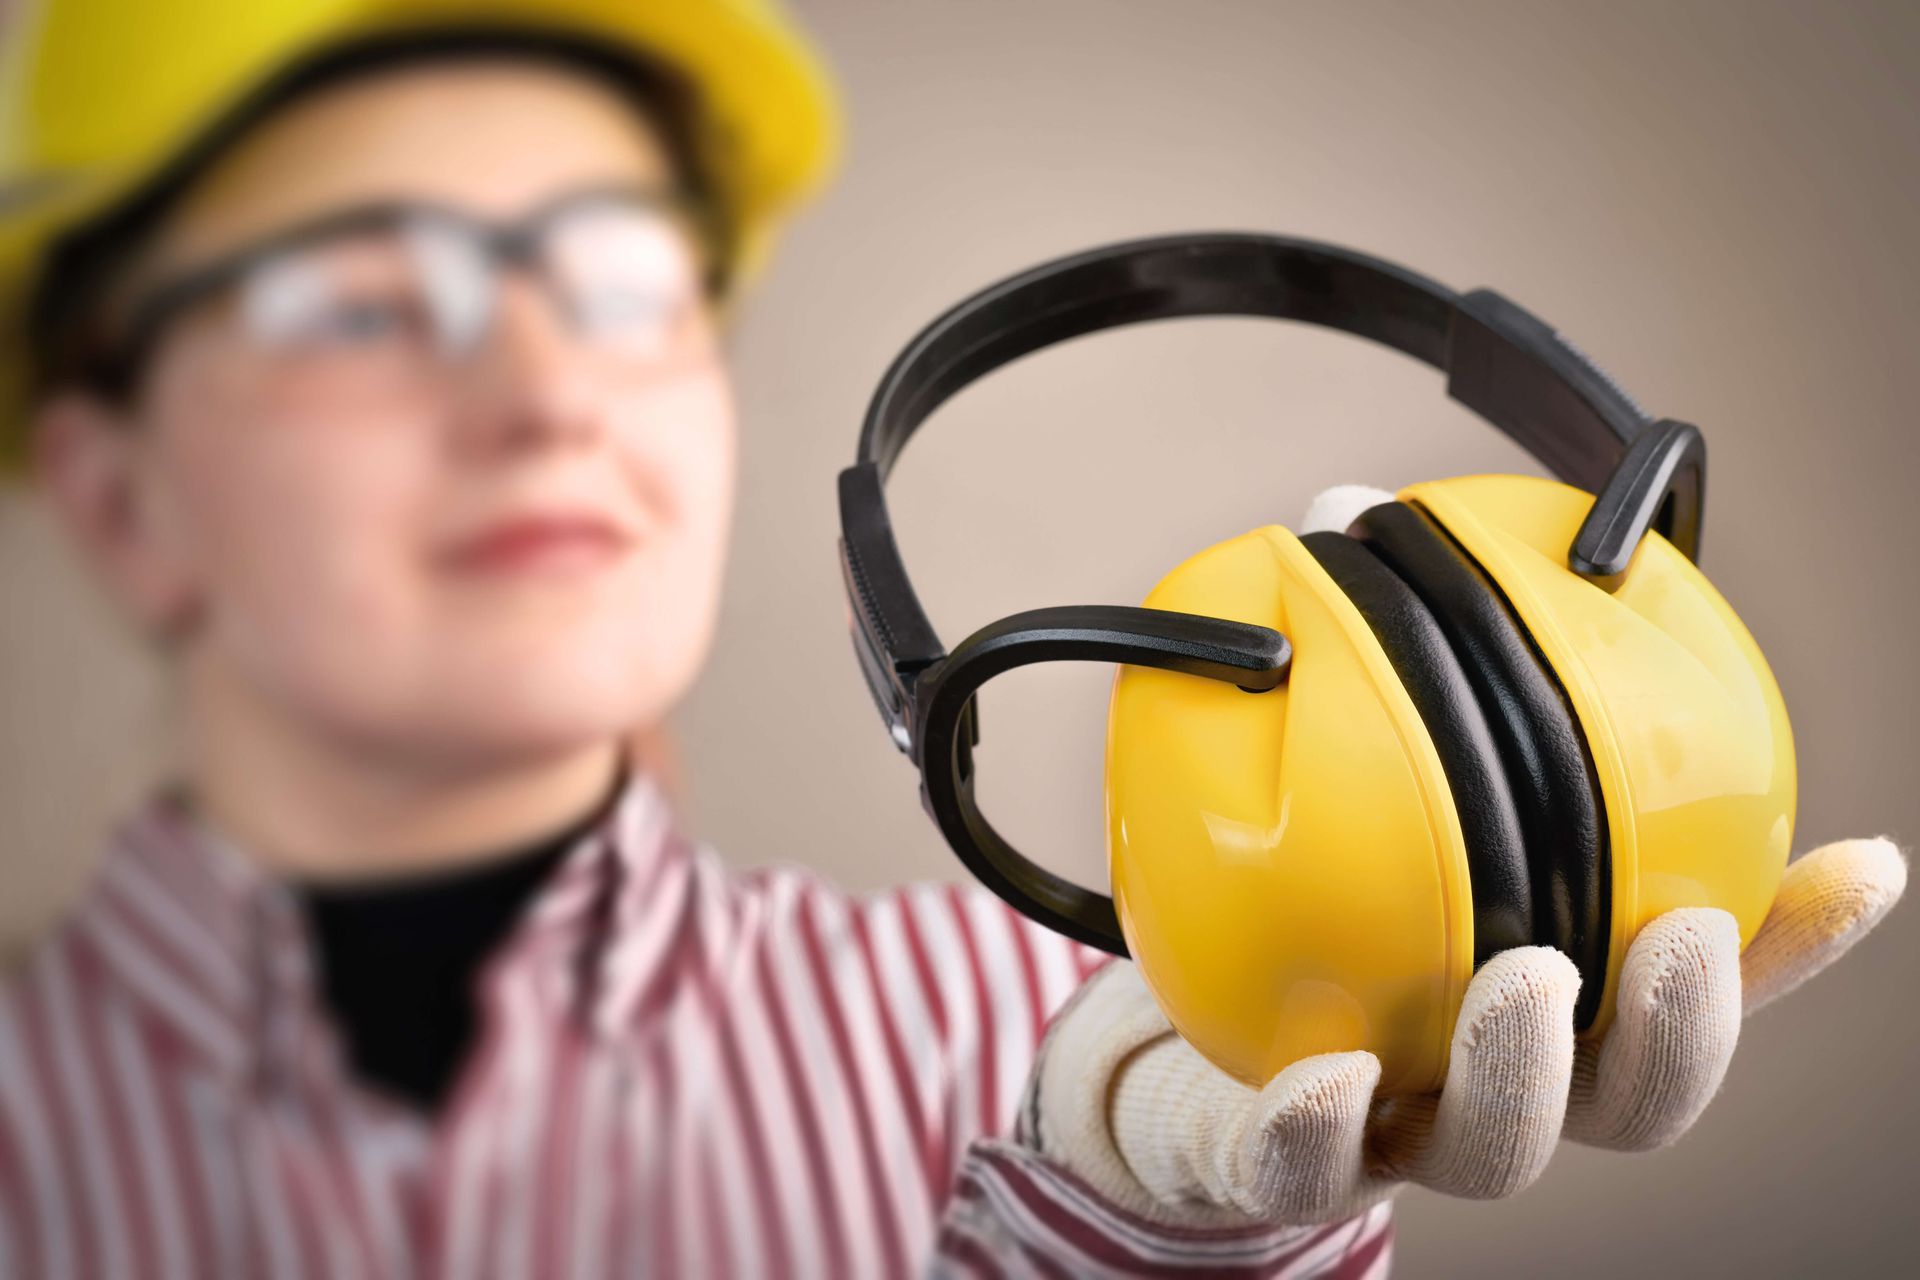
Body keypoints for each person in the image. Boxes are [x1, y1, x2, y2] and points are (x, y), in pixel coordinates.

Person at [0, 2, 1904, 1277]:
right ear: (115, 491)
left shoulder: (1092, 1039)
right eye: (358, 295)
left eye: (621, 278)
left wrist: (1157, 1230)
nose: (548, 388)